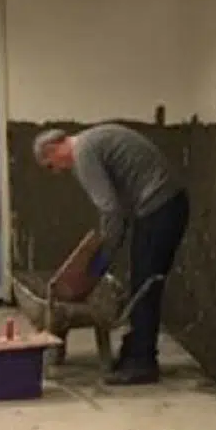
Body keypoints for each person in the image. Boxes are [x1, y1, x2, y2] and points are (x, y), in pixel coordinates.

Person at [34, 123, 190, 385]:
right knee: (142, 281)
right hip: (163, 204)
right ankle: (134, 351)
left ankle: (142, 363)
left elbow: (110, 209)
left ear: (53, 148)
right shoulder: (93, 140)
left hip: (160, 207)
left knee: (145, 285)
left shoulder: (83, 154)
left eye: (51, 165)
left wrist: (103, 256)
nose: (58, 172)